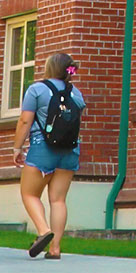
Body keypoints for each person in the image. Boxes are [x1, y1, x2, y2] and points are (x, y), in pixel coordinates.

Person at [18, 52, 89, 259]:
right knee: (58, 200)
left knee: (29, 194)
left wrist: (16, 147)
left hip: (43, 150)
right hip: (70, 151)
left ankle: (43, 230)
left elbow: (25, 121)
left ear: (49, 68)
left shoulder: (37, 90)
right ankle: (55, 248)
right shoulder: (76, 93)